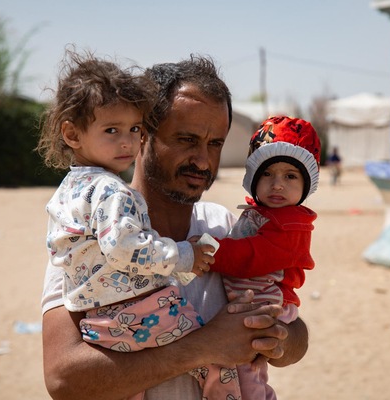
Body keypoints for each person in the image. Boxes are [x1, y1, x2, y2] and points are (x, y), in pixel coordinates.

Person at [41, 54, 310, 400]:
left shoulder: (231, 230)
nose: (202, 160)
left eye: (215, 144)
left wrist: (277, 337)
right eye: (187, 139)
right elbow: (64, 380)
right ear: (142, 135)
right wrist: (204, 346)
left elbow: (296, 336)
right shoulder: (89, 235)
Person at [208, 116, 320, 400]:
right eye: (267, 174)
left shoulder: (292, 225)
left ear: (306, 186)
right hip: (252, 300)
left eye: (290, 176)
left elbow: (252, 257)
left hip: (266, 303)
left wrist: (208, 252)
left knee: (248, 375)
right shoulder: (263, 215)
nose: (277, 185)